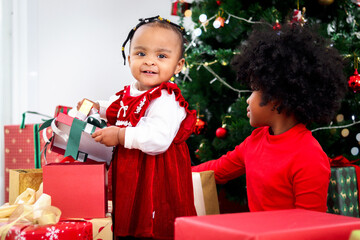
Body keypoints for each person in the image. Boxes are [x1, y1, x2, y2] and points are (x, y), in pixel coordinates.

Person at [192, 23, 348, 213]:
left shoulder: (309, 156)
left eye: (255, 90)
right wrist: (172, 173)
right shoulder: (254, 142)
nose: (248, 100)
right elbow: (215, 170)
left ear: (276, 97)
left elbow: (312, 226)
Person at [78, 16, 197, 239]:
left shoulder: (167, 99)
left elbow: (158, 139)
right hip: (131, 171)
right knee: (128, 216)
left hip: (157, 174)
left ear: (178, 65)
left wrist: (121, 135)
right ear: (129, 56)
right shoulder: (127, 92)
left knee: (153, 220)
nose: (150, 61)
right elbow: (117, 108)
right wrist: (97, 107)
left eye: (161, 56)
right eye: (141, 53)